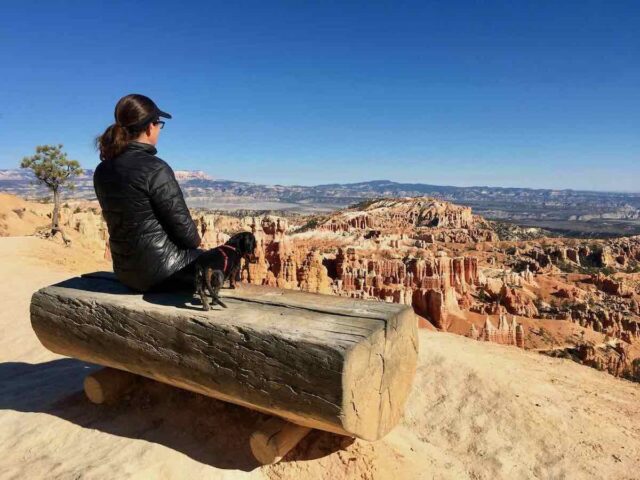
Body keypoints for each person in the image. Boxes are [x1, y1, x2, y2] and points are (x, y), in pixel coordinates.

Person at [93, 93, 204, 293]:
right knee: (222, 257)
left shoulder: (102, 170)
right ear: (149, 127)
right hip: (164, 274)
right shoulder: (155, 169)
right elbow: (190, 238)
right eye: (159, 124)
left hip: (125, 272)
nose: (159, 130)